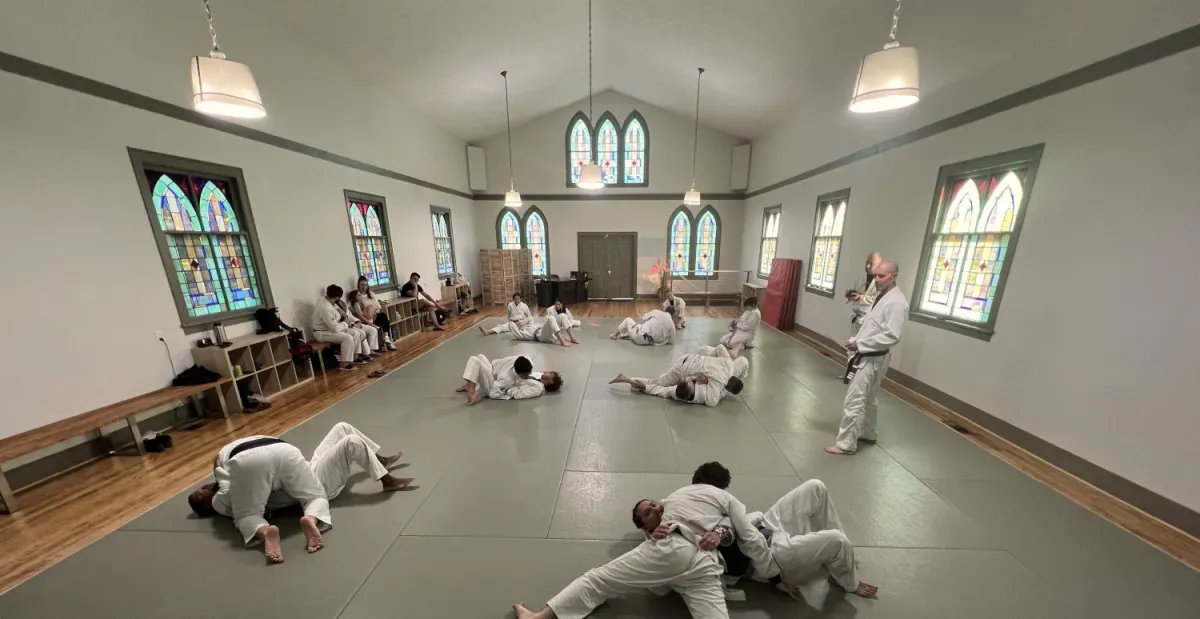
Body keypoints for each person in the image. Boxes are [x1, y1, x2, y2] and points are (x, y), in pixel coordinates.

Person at [186, 423, 414, 564]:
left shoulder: (233, 483)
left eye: (200, 487)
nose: (203, 488)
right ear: (206, 506)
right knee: (316, 492)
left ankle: (378, 461)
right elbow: (227, 481)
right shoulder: (221, 500)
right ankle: (385, 480)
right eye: (200, 494)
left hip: (280, 462)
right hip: (284, 452)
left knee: (342, 428)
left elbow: (228, 478)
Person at [690, 462, 878, 607]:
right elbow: (746, 548)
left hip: (765, 526)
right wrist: (775, 580)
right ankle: (849, 581)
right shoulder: (690, 524)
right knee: (837, 540)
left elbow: (744, 524)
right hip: (768, 556)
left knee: (815, 487)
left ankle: (842, 558)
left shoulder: (718, 502)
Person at [512, 526, 728, 619]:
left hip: (705, 566)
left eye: (654, 506)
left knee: (598, 580)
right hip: (684, 555)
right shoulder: (666, 524)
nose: (655, 509)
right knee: (598, 580)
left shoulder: (700, 506)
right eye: (647, 512)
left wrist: (719, 532)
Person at [827, 259, 909, 455]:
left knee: (854, 400)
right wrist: (857, 339)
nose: (877, 279)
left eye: (882, 276)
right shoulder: (883, 296)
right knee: (870, 398)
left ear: (894, 277)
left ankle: (846, 444)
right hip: (870, 356)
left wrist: (860, 344)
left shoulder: (897, 303)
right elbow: (872, 325)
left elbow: (892, 335)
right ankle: (869, 433)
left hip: (872, 359)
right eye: (875, 276)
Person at [609, 346, 748, 407]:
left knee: (705, 349)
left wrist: (709, 360)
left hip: (690, 357)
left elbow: (720, 348)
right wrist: (720, 390)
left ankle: (629, 379)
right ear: (728, 389)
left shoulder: (728, 363)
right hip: (682, 370)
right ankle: (628, 379)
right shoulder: (718, 384)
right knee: (657, 383)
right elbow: (712, 402)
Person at [457, 354, 563, 404]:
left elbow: (518, 394)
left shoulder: (538, 388)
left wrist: (508, 386)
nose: (547, 371)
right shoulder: (537, 374)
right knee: (481, 356)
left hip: (496, 389)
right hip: (498, 379)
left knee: (475, 360)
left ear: (551, 381)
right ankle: (469, 384)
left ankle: (472, 390)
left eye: (550, 373)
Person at [312, 285, 365, 370]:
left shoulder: (327, 300)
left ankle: (355, 357)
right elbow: (334, 328)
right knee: (347, 338)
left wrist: (340, 310)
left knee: (355, 333)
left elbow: (333, 307)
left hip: (330, 329)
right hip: (322, 333)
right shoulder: (325, 308)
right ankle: (345, 364)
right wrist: (345, 323)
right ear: (337, 297)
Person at [845, 252, 884, 353]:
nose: (867, 266)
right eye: (867, 262)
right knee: (851, 347)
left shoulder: (882, 282)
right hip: (856, 318)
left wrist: (860, 297)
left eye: (871, 264)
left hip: (869, 321)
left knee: (863, 350)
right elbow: (856, 293)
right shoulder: (860, 277)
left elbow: (877, 299)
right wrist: (850, 294)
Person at [349, 276, 396, 352]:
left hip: (373, 315)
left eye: (365, 285)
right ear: (358, 285)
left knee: (383, 316)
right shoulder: (356, 295)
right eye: (362, 285)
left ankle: (387, 339)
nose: (364, 287)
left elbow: (377, 307)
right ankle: (379, 346)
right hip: (365, 318)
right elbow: (353, 308)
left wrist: (374, 313)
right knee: (373, 318)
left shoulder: (371, 294)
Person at [335, 296, 380, 361]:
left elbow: (350, 315)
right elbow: (340, 321)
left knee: (372, 330)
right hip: (346, 326)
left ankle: (371, 350)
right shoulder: (333, 307)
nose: (339, 298)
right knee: (361, 333)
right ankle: (364, 354)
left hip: (354, 323)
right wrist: (352, 324)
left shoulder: (342, 303)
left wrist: (357, 321)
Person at [508, 312, 578, 347]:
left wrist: (522, 322)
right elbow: (511, 324)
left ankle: (572, 338)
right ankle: (562, 341)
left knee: (562, 315)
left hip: (548, 331)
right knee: (551, 318)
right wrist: (515, 323)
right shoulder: (521, 334)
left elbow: (530, 318)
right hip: (541, 336)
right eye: (517, 323)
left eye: (519, 321)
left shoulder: (529, 325)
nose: (519, 323)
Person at [610, 309, 675, 346]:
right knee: (642, 330)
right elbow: (671, 341)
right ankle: (628, 335)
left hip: (640, 336)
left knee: (628, 320)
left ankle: (614, 335)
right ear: (672, 316)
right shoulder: (672, 325)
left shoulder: (658, 312)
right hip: (650, 341)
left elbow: (644, 317)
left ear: (665, 310)